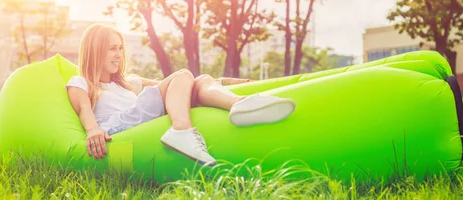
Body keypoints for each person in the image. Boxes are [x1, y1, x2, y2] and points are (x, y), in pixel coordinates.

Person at [65, 24, 296, 166]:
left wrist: (231, 82)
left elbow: (185, 85)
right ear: (95, 50)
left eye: (120, 48)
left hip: (139, 118)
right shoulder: (81, 82)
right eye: (112, 48)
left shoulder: (128, 83)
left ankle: (241, 103)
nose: (118, 55)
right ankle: (181, 129)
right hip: (119, 127)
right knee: (182, 74)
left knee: (200, 80)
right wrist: (93, 131)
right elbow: (84, 108)